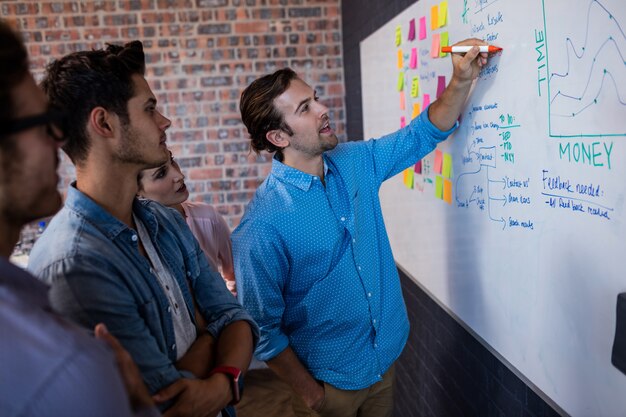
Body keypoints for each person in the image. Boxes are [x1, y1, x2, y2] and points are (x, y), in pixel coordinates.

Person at [232, 39, 492, 417]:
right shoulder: (262, 226)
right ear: (278, 137)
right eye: (306, 108)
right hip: (328, 387)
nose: (323, 109)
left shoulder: (354, 161)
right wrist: (311, 395)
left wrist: (461, 79)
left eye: (316, 98)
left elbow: (422, 133)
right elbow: (263, 328)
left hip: (383, 363)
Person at [27, 39, 258, 417]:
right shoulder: (75, 263)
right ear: (104, 123)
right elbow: (164, 396)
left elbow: (235, 318)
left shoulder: (164, 220)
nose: (164, 121)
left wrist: (221, 383)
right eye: (150, 108)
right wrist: (208, 334)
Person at [0, 20, 158, 417]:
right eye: (40, 125)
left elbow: (229, 319)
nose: (59, 138)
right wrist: (138, 405)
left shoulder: (161, 220)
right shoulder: (68, 367)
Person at [137, 150, 237, 295]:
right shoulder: (138, 240)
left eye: (172, 161)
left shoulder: (207, 218)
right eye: (161, 174)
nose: (179, 176)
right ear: (137, 191)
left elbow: (236, 276)